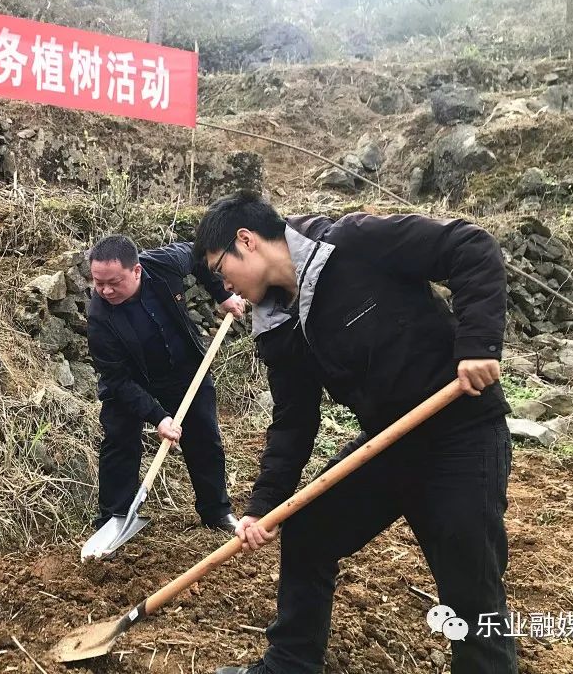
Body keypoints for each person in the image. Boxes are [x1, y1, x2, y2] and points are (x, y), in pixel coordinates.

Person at [192, 191, 516, 674]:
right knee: (308, 529)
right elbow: (294, 421)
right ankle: (290, 665)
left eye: (221, 270)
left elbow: (470, 246)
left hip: (460, 433)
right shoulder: (275, 323)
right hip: (386, 442)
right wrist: (265, 506)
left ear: (247, 241)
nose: (227, 288)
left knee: (469, 580)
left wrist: (478, 342)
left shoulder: (355, 243)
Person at [86, 235, 246, 533]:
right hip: (132, 382)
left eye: (114, 282)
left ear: (136, 271)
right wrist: (159, 417)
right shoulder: (99, 317)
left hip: (184, 369)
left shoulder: (162, 264)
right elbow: (117, 379)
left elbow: (200, 255)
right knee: (119, 443)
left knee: (204, 437)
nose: (105, 290)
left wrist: (221, 295)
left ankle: (216, 512)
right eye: (98, 282)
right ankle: (114, 519)